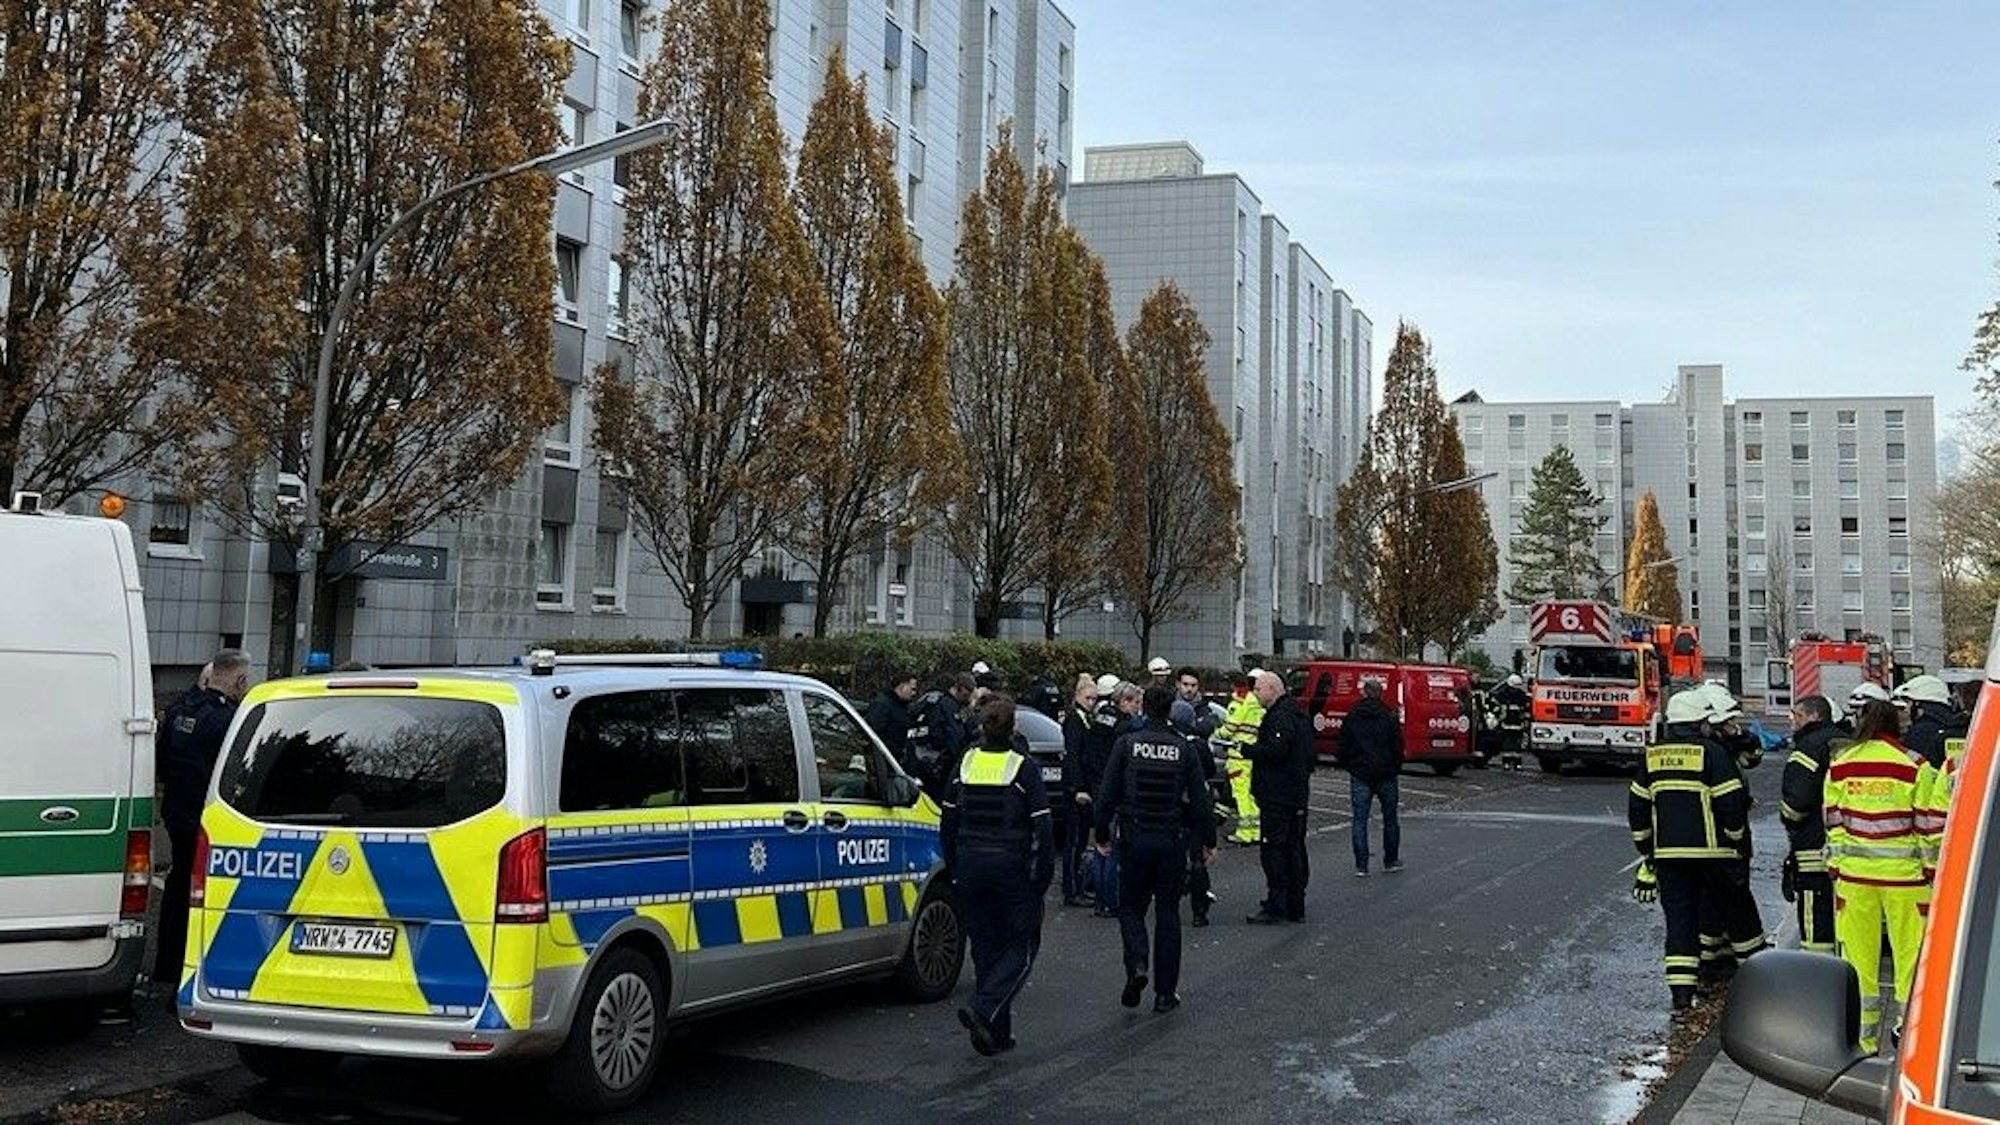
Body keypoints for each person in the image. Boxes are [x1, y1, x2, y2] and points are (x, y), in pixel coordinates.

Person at [1628, 689, 1766, 1013]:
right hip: (1715, 855)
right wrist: (1734, 838)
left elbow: (1637, 807)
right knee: (1740, 915)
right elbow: (1731, 802)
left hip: (1669, 858)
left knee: (1679, 924)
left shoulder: (1652, 755)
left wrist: (1648, 850)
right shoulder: (1712, 753)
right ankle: (1761, 984)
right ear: (1699, 723)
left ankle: (1681, 997)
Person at [1826, 694, 1946, 1052]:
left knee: (1858, 960)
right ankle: (1908, 1036)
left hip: (1854, 879)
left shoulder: (1841, 764)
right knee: (1910, 958)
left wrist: (1837, 868)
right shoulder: (1915, 766)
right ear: (1896, 725)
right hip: (1906, 881)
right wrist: (1930, 872)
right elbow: (1928, 826)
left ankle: (1861, 1041)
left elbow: (1833, 823)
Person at [941, 697, 1054, 1056]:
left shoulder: (967, 763)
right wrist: (1042, 877)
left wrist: (955, 867)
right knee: (1021, 948)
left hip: (971, 867)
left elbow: (948, 821)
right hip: (1011, 868)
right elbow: (1044, 827)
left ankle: (995, 1036)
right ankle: (983, 1007)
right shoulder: (1023, 768)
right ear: (1013, 728)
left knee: (987, 949)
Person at [1094, 686, 1214, 1013]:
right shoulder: (1183, 749)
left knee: (1131, 908)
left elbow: (1107, 794)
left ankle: (1136, 964)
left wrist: (1102, 832)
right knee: (1168, 913)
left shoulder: (1127, 745)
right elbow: (1201, 801)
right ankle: (1165, 993)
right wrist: (1207, 841)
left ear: (1145, 709)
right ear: (1171, 710)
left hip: (1134, 837)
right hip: (1170, 839)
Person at [155, 649, 254, 989]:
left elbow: (162, 761)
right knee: (203, 895)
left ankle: (165, 965)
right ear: (240, 680)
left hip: (176, 811)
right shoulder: (227, 719)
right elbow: (238, 772)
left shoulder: (182, 709)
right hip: (207, 817)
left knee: (177, 884)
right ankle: (190, 968)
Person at [1779, 694, 1849, 954]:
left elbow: (1795, 802)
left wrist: (1791, 822)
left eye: (1797, 715)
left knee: (1815, 923)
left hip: (1813, 847)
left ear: (1814, 716)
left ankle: (1815, 978)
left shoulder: (1808, 747)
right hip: (1850, 848)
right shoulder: (1850, 744)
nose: (1793, 721)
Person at [1243, 670, 1314, 924]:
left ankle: (1278, 903)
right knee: (1294, 849)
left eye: (1259, 689)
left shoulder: (1280, 718)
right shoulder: (1298, 715)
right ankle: (1295, 903)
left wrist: (1248, 750)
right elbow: (1308, 755)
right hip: (1295, 795)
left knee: (1275, 850)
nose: (1255, 693)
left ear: (1273, 689)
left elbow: (1276, 750)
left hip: (1278, 796)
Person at [1084, 683, 1144, 917]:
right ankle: (1112, 900)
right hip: (1114, 788)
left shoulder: (1101, 720)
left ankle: (1101, 899)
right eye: (1136, 703)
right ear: (1125, 702)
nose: (1138, 708)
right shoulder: (1124, 728)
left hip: (1097, 785)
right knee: (1113, 848)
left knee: (1100, 846)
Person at [1337, 678, 1403, 877]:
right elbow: (1397, 747)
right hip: (1386, 773)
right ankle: (1390, 860)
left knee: (1359, 820)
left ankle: (1361, 864)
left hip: (1360, 773)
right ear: (1380, 693)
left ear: (1364, 693)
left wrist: (1349, 765)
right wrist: (1395, 767)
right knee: (1390, 818)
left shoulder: (1353, 716)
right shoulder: (1389, 716)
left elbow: (1343, 746)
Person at [1169, 699, 1221, 926]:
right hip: (1195, 805)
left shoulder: (1170, 743)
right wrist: (1212, 838)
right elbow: (1208, 771)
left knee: (1173, 857)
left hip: (1173, 807)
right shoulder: (1197, 745)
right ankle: (1199, 910)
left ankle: (1171, 899)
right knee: (1197, 857)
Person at [1059, 674, 1101, 907]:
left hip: (1083, 786)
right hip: (1077, 789)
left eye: (1094, 698)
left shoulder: (1083, 718)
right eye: (1088, 698)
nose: (1091, 702)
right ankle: (1071, 889)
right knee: (1074, 841)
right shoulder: (1075, 720)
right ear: (1077, 696)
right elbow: (1073, 756)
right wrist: (1078, 788)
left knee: (1080, 839)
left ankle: (1077, 886)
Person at [1219, 671, 1267, 846]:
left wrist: (1215, 734)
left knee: (1240, 795)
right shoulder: (1259, 702)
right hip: (1253, 755)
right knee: (1251, 795)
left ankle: (1245, 834)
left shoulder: (1241, 700)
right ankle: (1255, 831)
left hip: (1238, 756)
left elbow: (1229, 727)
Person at [909, 674, 975, 791]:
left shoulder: (932, 700)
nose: (968, 698)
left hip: (919, 758)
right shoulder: (948, 707)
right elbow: (954, 739)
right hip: (938, 765)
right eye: (966, 694)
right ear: (959, 688)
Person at [1895, 674, 1960, 769]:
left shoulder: (1919, 732)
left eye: (1909, 703)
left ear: (1918, 704)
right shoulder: (1955, 725)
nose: (1906, 709)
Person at [863, 671, 919, 751]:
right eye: (912, 689)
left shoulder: (904, 707)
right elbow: (873, 734)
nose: (914, 693)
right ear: (902, 686)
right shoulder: (882, 705)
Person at [1487, 674, 1530, 770]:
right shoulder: (1519, 695)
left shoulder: (1504, 694)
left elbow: (1526, 710)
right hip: (1510, 723)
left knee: (1512, 744)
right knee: (1510, 744)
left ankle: (1511, 763)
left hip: (1512, 723)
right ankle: (1512, 763)